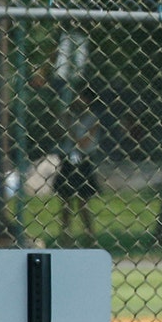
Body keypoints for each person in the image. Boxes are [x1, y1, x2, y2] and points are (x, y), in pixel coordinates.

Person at [57, 90, 103, 244]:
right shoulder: (69, 116)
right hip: (69, 160)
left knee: (83, 201)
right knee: (65, 200)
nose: (78, 101)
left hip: (83, 160)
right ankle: (65, 236)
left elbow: (84, 143)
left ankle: (90, 235)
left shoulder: (92, 119)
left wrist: (70, 129)